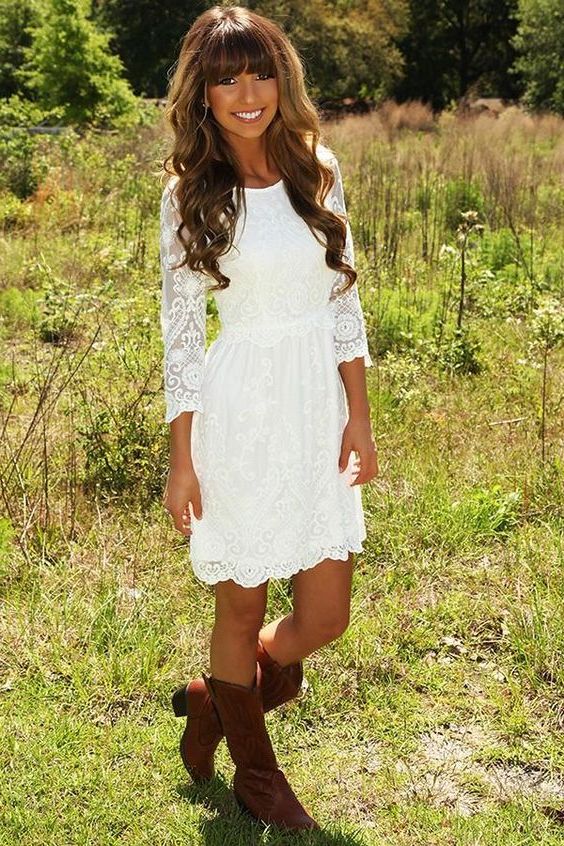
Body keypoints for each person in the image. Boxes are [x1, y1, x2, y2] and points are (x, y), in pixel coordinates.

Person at [159, 4, 379, 832]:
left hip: (316, 407)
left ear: (281, 79)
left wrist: (360, 418)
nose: (247, 92)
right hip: (239, 407)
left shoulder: (317, 169)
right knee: (241, 605)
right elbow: (181, 339)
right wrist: (182, 458)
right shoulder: (188, 194)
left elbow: (344, 306)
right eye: (227, 78)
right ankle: (257, 776)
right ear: (205, 94)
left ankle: (215, 702)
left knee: (327, 614)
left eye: (259, 73)